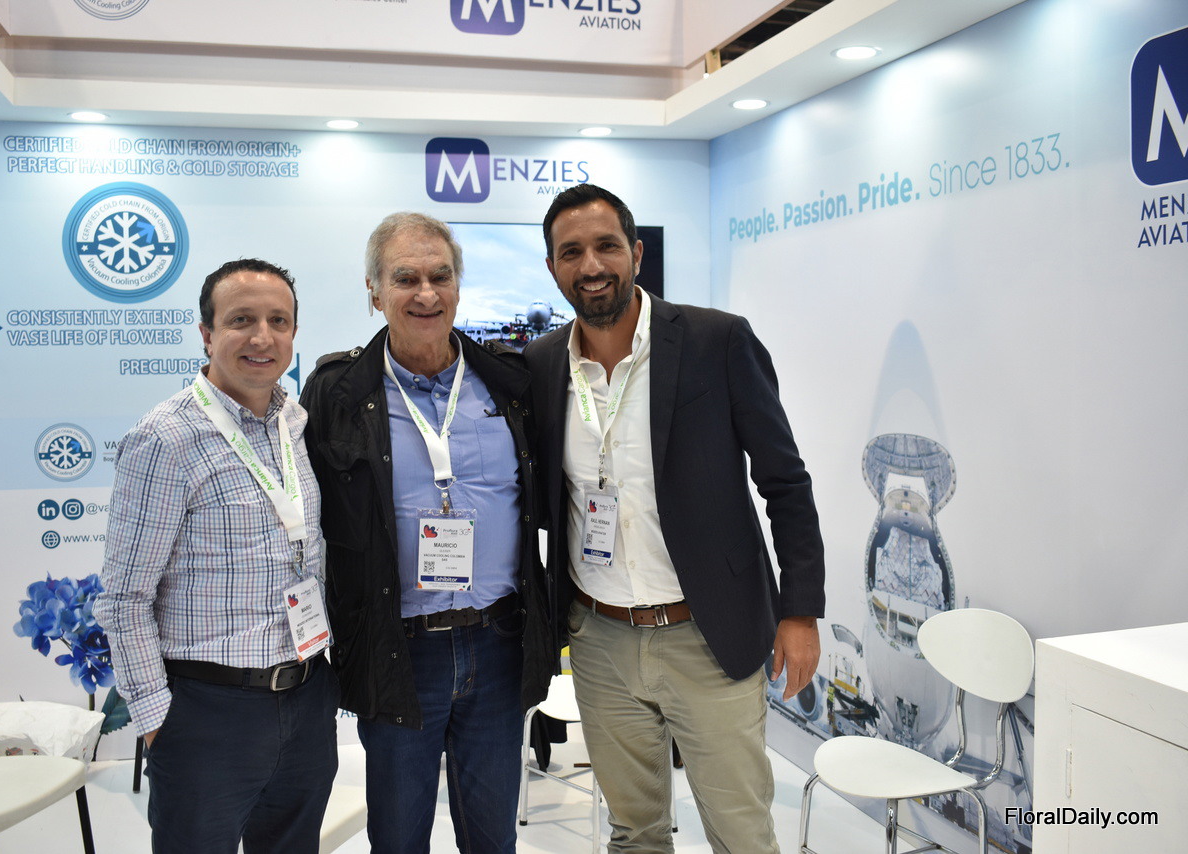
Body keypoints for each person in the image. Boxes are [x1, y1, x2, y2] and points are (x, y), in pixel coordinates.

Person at [524, 184, 826, 853]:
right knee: (634, 833)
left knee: (742, 834)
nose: (591, 265)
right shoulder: (541, 364)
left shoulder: (718, 340)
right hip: (600, 640)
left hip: (706, 632)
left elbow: (785, 482)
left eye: (606, 246)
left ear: (636, 253)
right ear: (552, 268)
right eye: (571, 252)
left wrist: (800, 612)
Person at [301, 213, 555, 853]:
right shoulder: (336, 392)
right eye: (405, 278)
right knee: (398, 838)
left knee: (493, 840)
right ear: (374, 292)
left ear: (458, 287)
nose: (426, 294)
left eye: (440, 277)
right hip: (398, 651)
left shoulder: (509, 380)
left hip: (498, 643)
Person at [96, 259, 338, 853]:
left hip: (306, 697)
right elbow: (124, 600)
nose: (262, 337)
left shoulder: (295, 424)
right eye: (241, 320)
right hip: (207, 713)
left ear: (294, 333)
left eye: (278, 321)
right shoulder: (165, 438)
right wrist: (158, 721)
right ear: (207, 334)